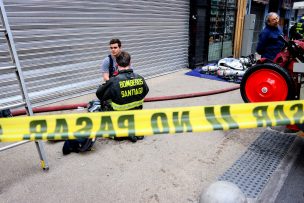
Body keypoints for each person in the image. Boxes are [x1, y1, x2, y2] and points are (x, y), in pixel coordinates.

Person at [96, 51, 149, 142]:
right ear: (130, 62)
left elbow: (99, 94)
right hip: (135, 114)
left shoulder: (114, 81)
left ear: (116, 63)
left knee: (104, 102)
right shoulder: (140, 78)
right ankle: (133, 130)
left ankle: (120, 133)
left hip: (119, 117)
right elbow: (146, 90)